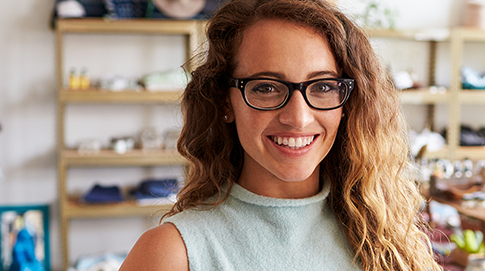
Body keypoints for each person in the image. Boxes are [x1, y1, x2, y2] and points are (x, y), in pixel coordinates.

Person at [120, 0, 439, 270]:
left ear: (348, 104)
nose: (298, 118)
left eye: (324, 86)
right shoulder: (173, 254)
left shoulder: (387, 239)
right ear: (225, 102)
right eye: (267, 88)